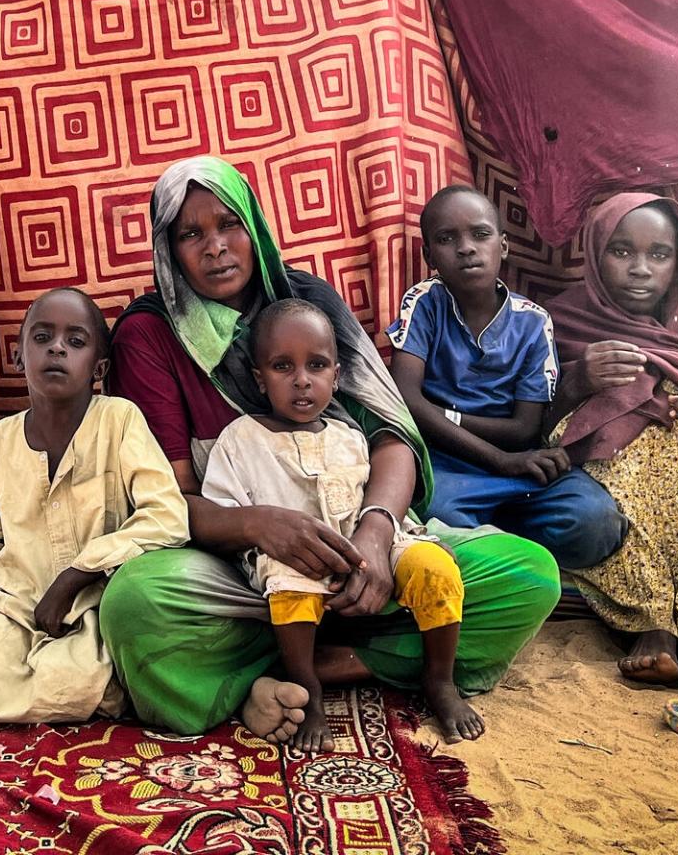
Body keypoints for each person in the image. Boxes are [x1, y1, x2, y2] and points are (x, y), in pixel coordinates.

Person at [102, 156, 558, 743]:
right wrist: (262, 527)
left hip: (363, 544)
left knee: (529, 576)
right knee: (133, 604)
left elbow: (392, 434)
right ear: (168, 247)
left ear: (255, 227)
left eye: (228, 224)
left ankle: (302, 669)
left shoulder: (308, 300)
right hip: (246, 570)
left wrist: (374, 531)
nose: (215, 247)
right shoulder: (149, 334)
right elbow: (171, 499)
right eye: (191, 234)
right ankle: (337, 657)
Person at [203, 299, 480, 748]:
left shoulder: (351, 436)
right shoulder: (241, 440)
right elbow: (226, 513)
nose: (301, 381)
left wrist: (400, 543)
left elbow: (381, 510)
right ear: (259, 378)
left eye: (316, 365)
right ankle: (308, 691)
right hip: (291, 562)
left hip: (363, 553)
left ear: (336, 374)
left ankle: (440, 679)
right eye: (281, 366)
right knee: (290, 576)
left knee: (436, 568)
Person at [546, 193, 678, 688]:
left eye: (658, 255)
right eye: (622, 252)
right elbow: (527, 401)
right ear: (595, 255)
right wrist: (580, 378)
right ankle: (652, 622)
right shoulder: (557, 318)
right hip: (606, 450)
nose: (640, 269)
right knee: (631, 457)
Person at [0, 288, 187, 724]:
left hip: (95, 603)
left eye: (75, 341)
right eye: (42, 338)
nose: (57, 347)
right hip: (20, 605)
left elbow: (167, 517)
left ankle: (101, 686)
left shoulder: (119, 420)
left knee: (75, 680)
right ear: (18, 357)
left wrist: (78, 574)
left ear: (99, 368)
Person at [387, 185, 626, 570]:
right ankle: (502, 546)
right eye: (447, 239)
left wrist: (448, 417)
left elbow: (524, 428)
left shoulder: (532, 322)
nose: (466, 248)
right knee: (435, 515)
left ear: (504, 245)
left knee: (594, 520)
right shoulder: (425, 303)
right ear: (429, 255)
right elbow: (406, 401)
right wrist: (499, 458)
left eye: (480, 235)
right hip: (446, 463)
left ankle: (498, 535)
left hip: (517, 464)